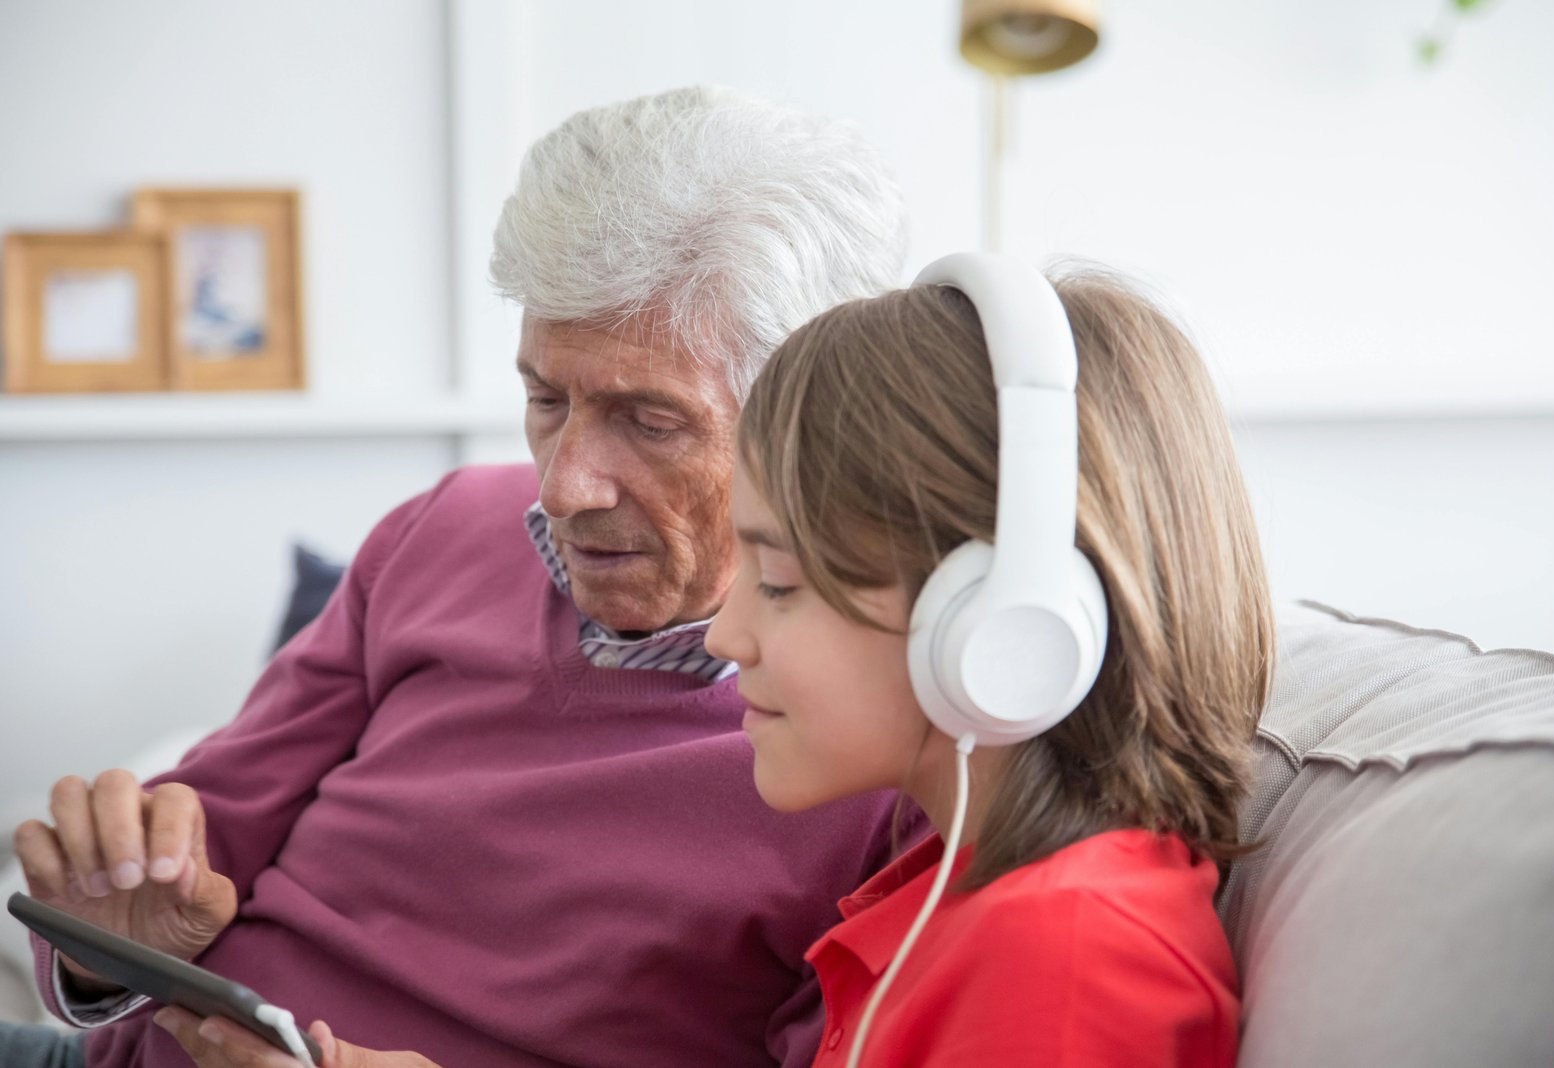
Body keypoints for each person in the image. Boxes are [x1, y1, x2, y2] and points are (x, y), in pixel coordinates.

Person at [147, 255, 1275, 1068]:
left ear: (998, 633)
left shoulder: (1064, 959)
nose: (729, 638)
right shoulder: (935, 894)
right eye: (544, 400)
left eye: (776, 583)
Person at [3, 86, 915, 1068]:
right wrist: (115, 947)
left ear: (809, 422)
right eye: (543, 397)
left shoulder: (885, 738)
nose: (564, 485)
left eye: (649, 422)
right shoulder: (443, 529)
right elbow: (203, 834)